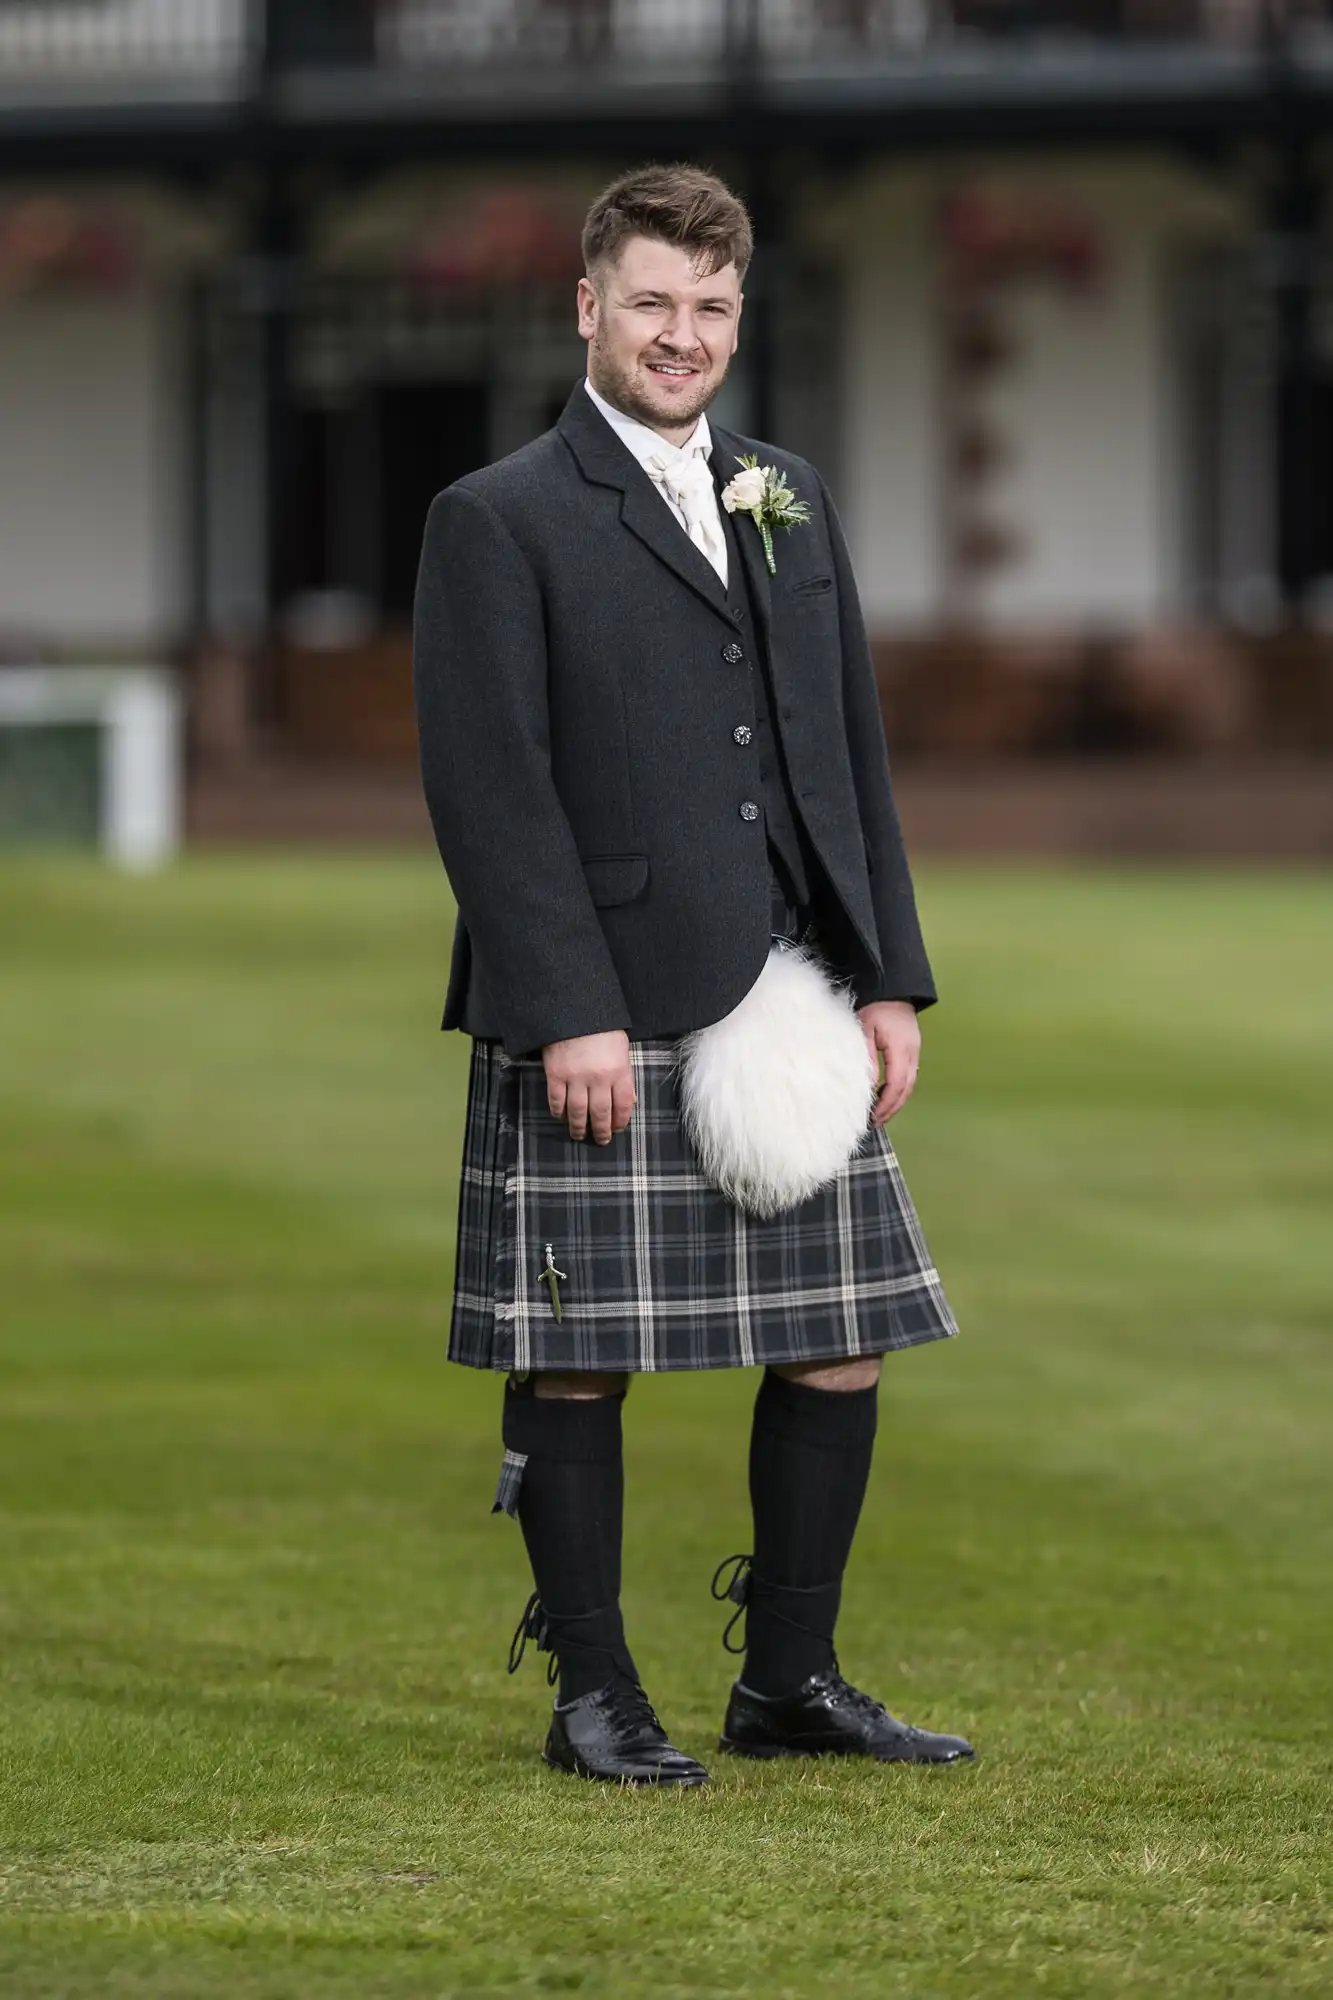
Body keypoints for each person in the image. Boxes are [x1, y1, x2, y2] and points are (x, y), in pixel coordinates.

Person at [411, 162, 974, 1786]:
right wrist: (564, 1001)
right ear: (589, 306)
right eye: (652, 302)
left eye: (711, 307)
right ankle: (594, 1697)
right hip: (603, 998)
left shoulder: (782, 491)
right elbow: (489, 784)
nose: (683, 335)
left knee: (844, 1332)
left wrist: (887, 981)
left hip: (789, 1000)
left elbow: (843, 761)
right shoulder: (497, 517)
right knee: (581, 1351)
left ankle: (789, 1681)